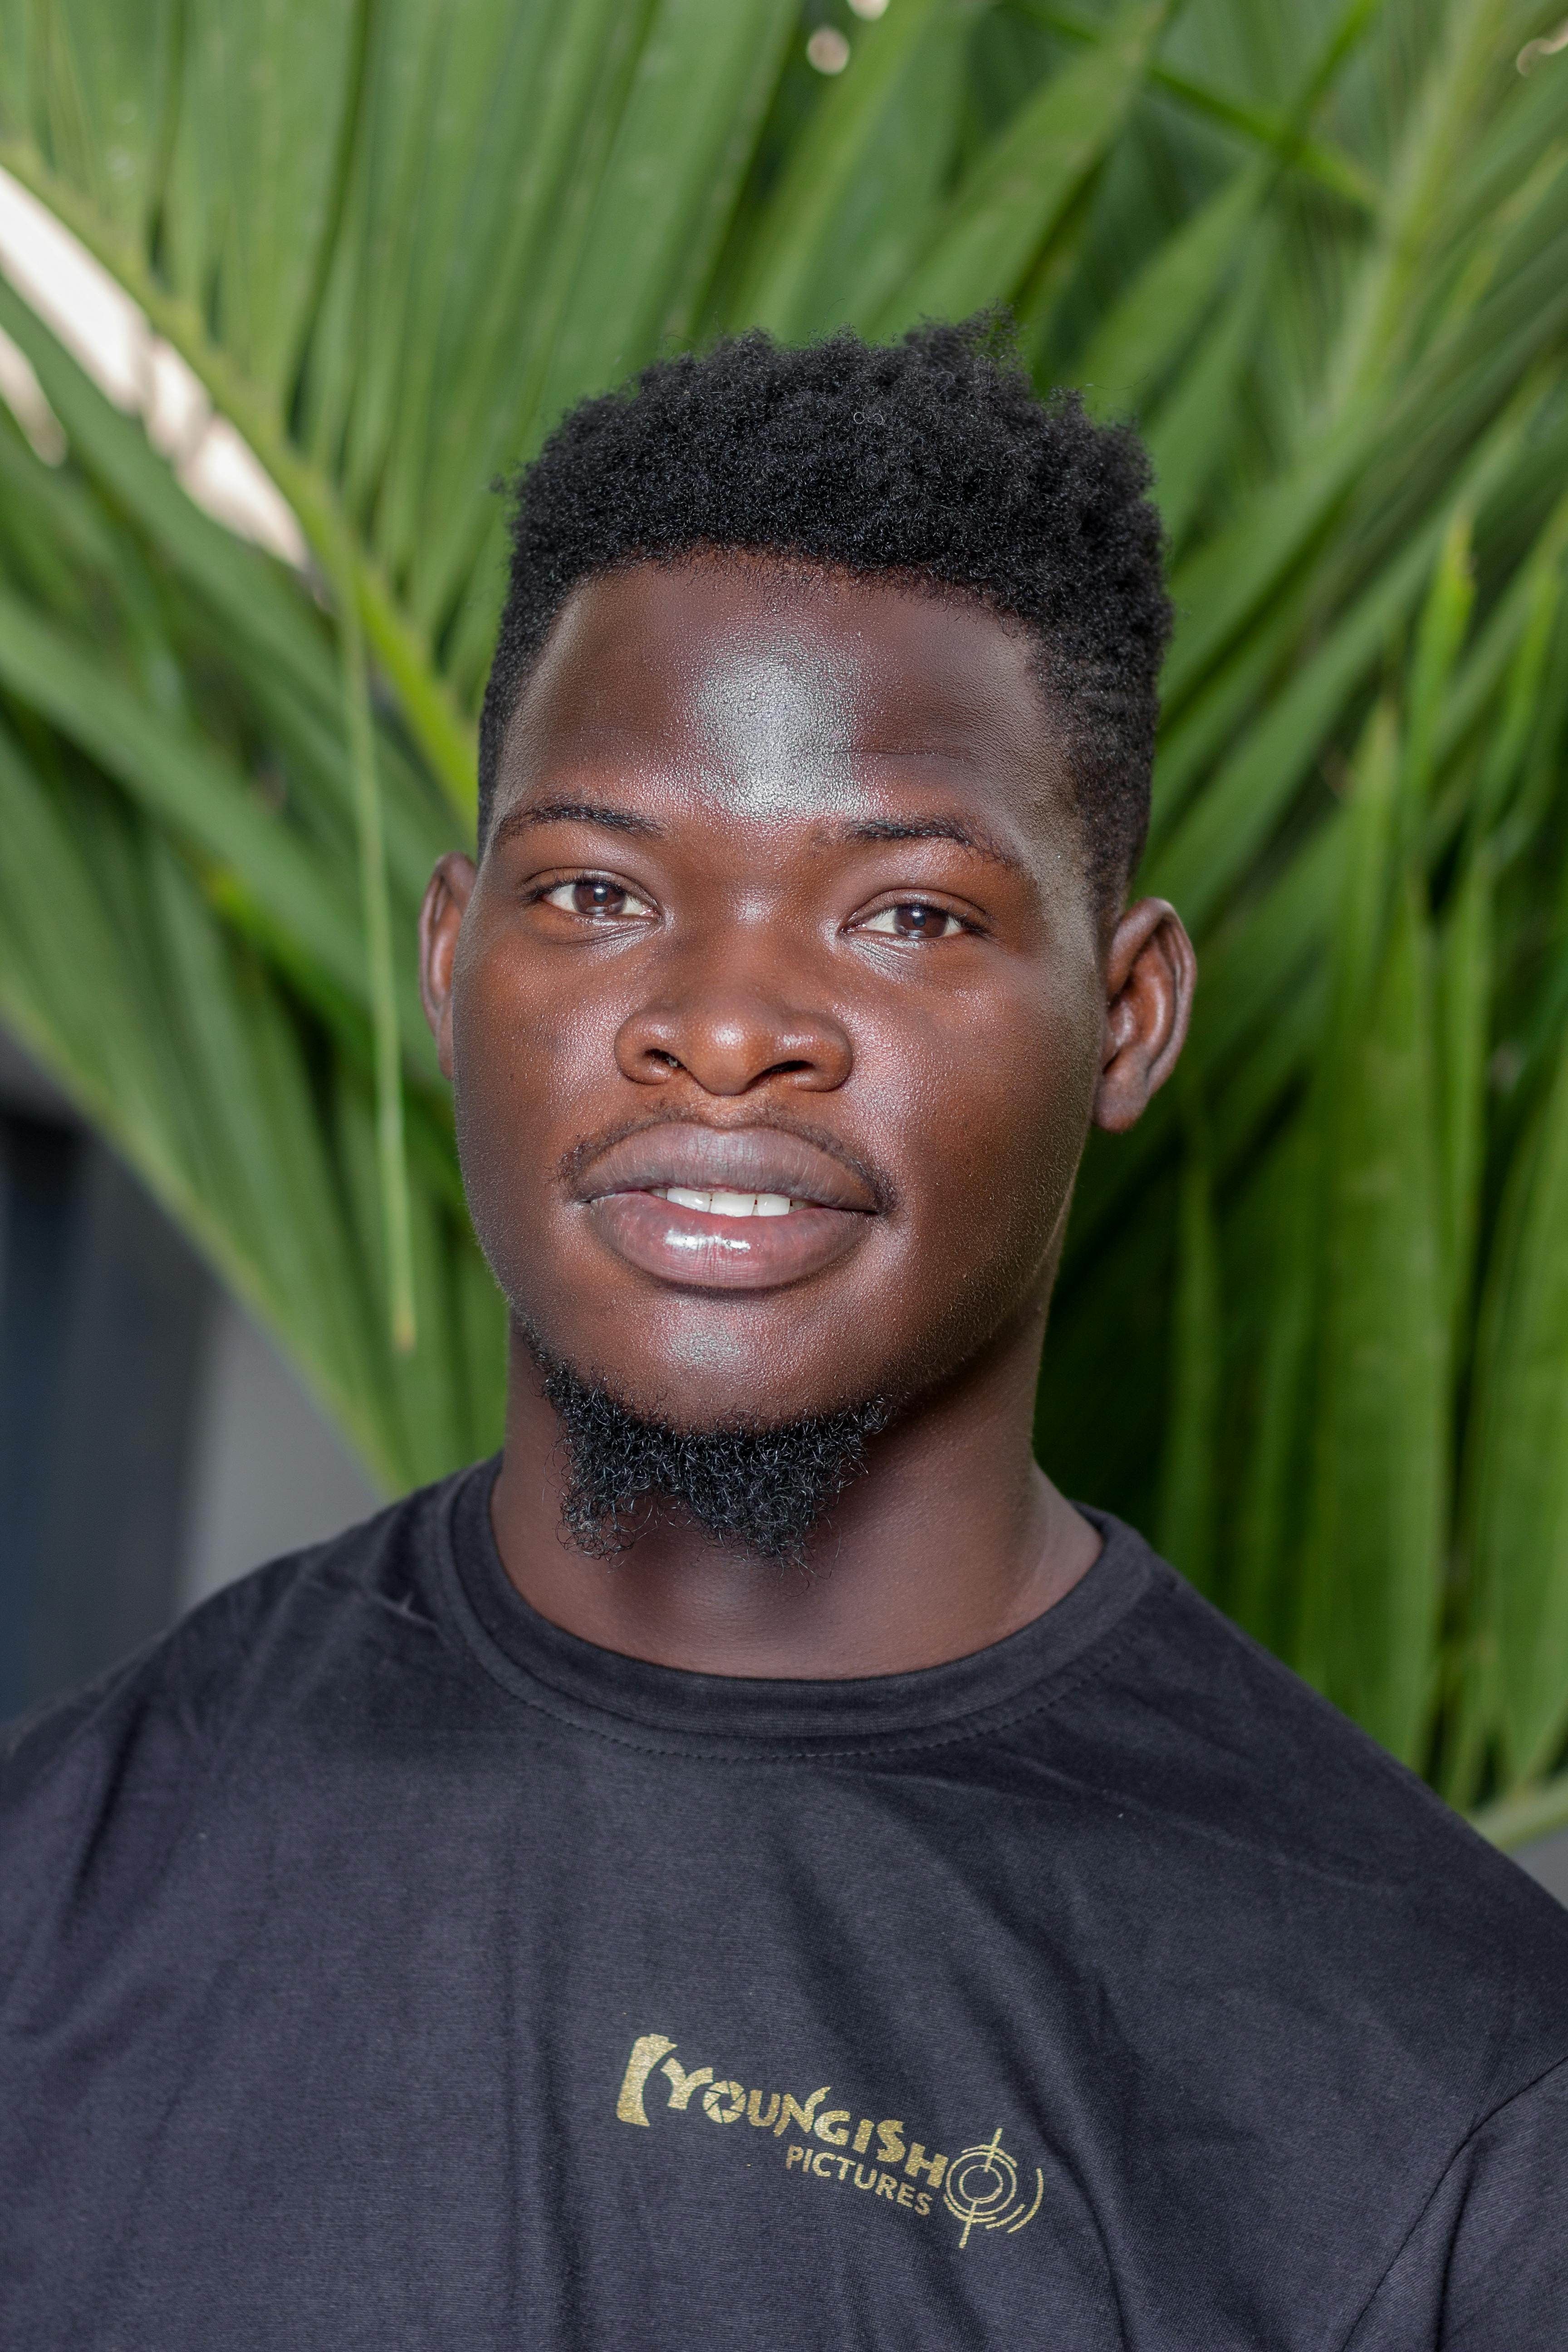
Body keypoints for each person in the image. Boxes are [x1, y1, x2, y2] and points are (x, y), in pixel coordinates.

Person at [2, 319, 1565, 2350]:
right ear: (454, 958)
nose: (728, 1028)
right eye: (595, 893)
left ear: (1129, 1014)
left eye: (906, 912)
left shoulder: (1449, 2092)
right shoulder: (63, 1887)